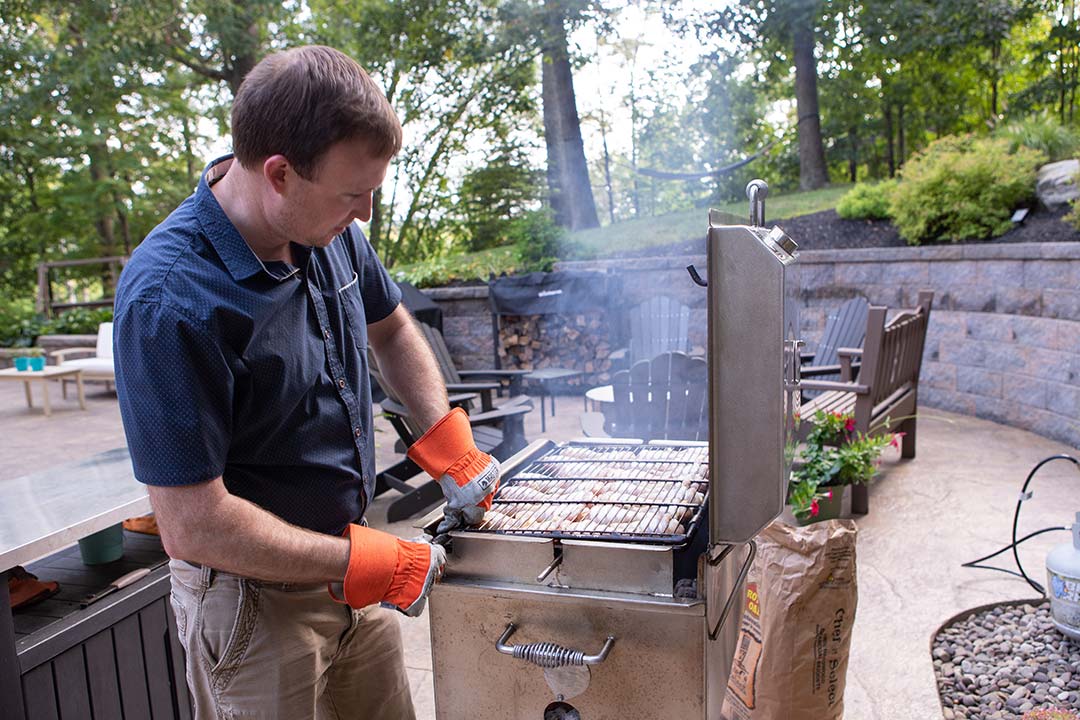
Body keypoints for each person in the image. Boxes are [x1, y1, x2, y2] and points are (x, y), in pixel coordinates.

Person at [113, 45, 499, 719]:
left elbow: (394, 329)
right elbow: (193, 525)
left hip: (354, 566)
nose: (368, 214)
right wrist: (371, 565)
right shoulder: (170, 299)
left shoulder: (330, 229)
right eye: (353, 195)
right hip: (253, 611)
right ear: (280, 174)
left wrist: (445, 439)